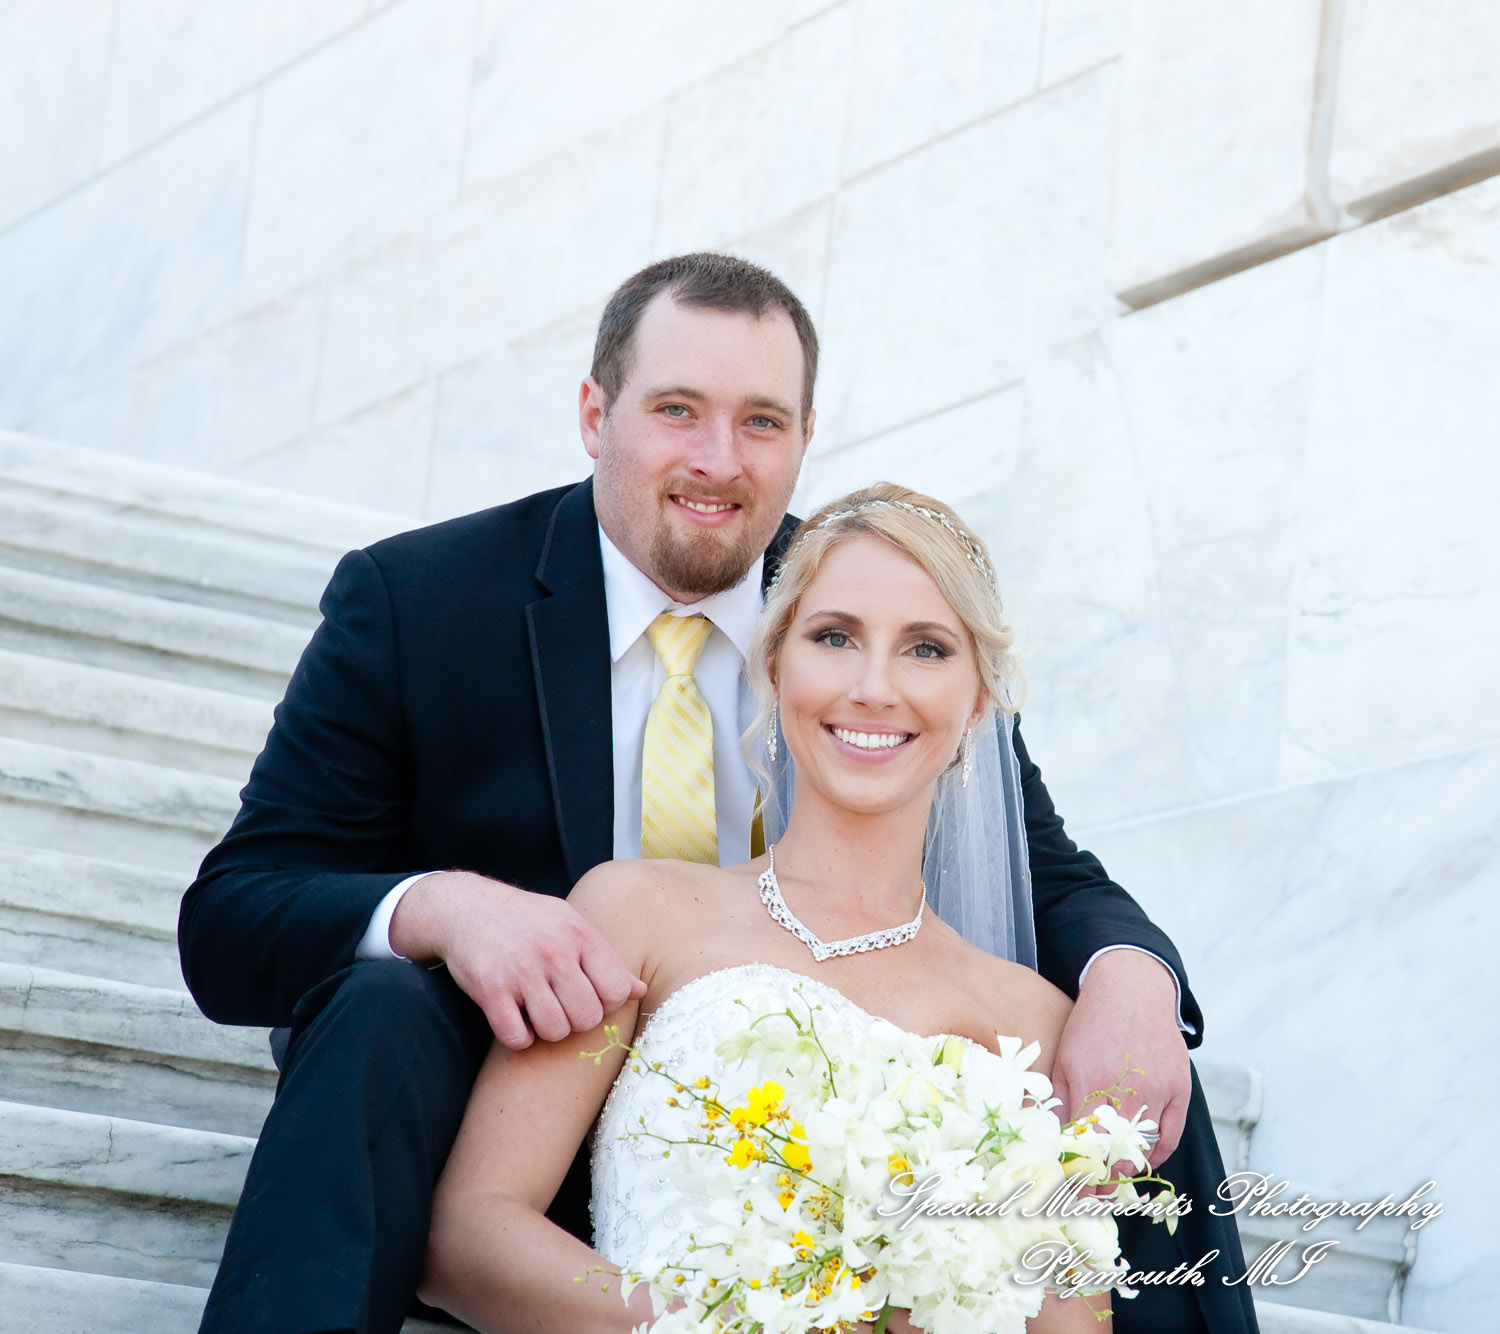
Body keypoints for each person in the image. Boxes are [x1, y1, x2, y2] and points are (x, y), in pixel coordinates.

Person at [178, 253, 1254, 1334]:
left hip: (812, 1152)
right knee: (379, 1007)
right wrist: (445, 907)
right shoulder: (422, 600)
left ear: (806, 435)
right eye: (677, 411)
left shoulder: (858, 606)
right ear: (596, 414)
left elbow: (1041, 867)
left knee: (1132, 1070)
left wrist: (1135, 980)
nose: (718, 460)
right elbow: (235, 913)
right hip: (501, 1108)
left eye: (761, 422)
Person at [421, 483, 1114, 1332]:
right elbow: (469, 1234)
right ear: (777, 665)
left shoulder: (1034, 1027)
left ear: (977, 703)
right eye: (835, 637)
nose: (873, 686)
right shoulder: (637, 914)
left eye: (926, 649)